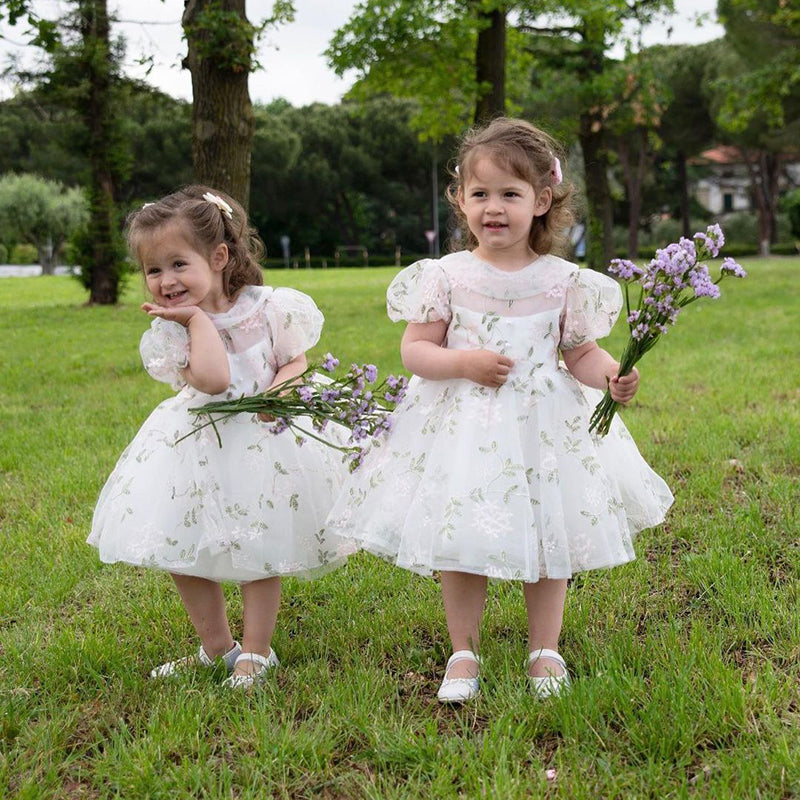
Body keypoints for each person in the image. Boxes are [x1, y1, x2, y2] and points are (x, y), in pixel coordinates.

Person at [325, 118, 673, 703]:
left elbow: (579, 352)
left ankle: (545, 649)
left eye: (510, 194)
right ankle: (463, 651)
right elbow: (415, 351)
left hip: (544, 426)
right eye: (480, 193)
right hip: (466, 426)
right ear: (460, 199)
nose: (494, 208)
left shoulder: (563, 281)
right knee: (461, 536)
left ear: (541, 201)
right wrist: (463, 362)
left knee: (549, 531)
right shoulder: (446, 276)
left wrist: (612, 375)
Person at [88, 185, 354, 688]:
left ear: (218, 257)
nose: (166, 281)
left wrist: (279, 391)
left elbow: (294, 360)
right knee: (180, 548)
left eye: (178, 264)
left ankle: (256, 652)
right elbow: (212, 380)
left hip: (262, 441)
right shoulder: (172, 328)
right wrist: (193, 320)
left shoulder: (268, 306)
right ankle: (217, 649)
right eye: (153, 270)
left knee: (259, 544)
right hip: (200, 444)